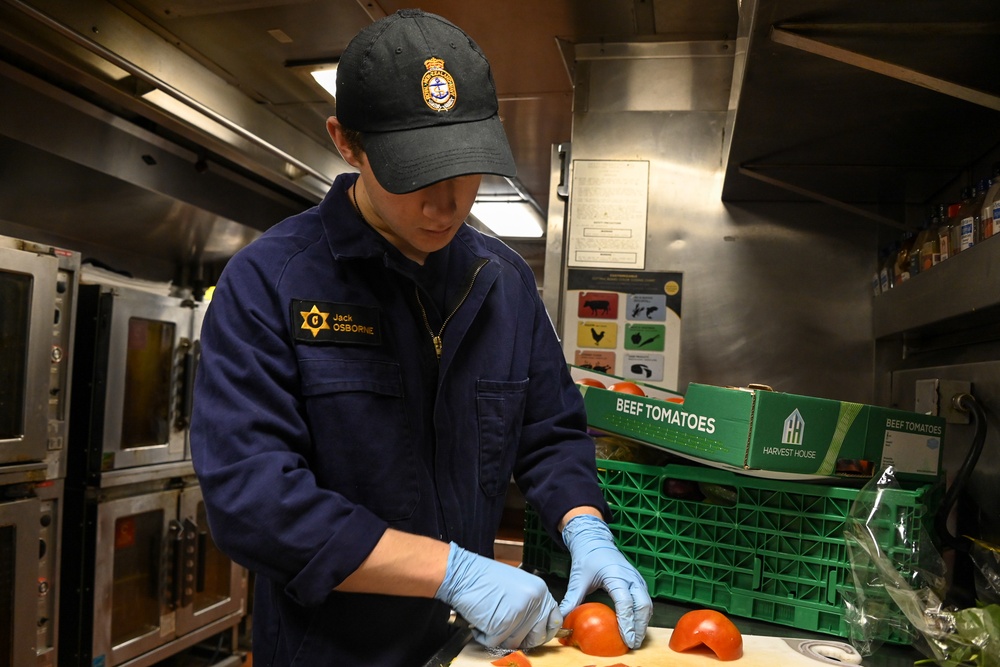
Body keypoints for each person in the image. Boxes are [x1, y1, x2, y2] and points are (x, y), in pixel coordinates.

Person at [190, 9, 652, 667]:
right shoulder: (270, 283)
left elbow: (549, 432)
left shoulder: (504, 283)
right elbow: (253, 500)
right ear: (347, 143)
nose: (446, 204)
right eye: (414, 173)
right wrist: (452, 571)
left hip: (468, 650)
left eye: (465, 168)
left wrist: (586, 529)